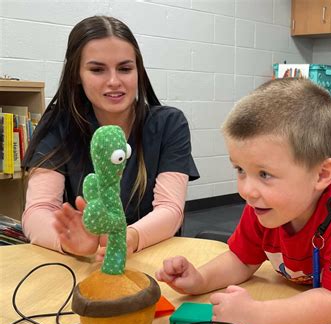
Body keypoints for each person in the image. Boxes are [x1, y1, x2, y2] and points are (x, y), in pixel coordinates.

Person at [156, 78, 331, 324]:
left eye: (264, 174)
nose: (246, 190)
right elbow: (242, 259)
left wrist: (255, 316)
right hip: (322, 295)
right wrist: (200, 279)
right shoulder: (265, 202)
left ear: (321, 175)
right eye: (240, 170)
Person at [22, 16, 199, 259]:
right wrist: (69, 241)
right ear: (76, 74)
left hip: (152, 258)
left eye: (125, 68)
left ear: (138, 71)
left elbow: (170, 208)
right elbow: (37, 211)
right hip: (85, 263)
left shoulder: (168, 123)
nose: (114, 82)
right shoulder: (59, 124)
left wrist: (130, 237)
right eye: (97, 69)